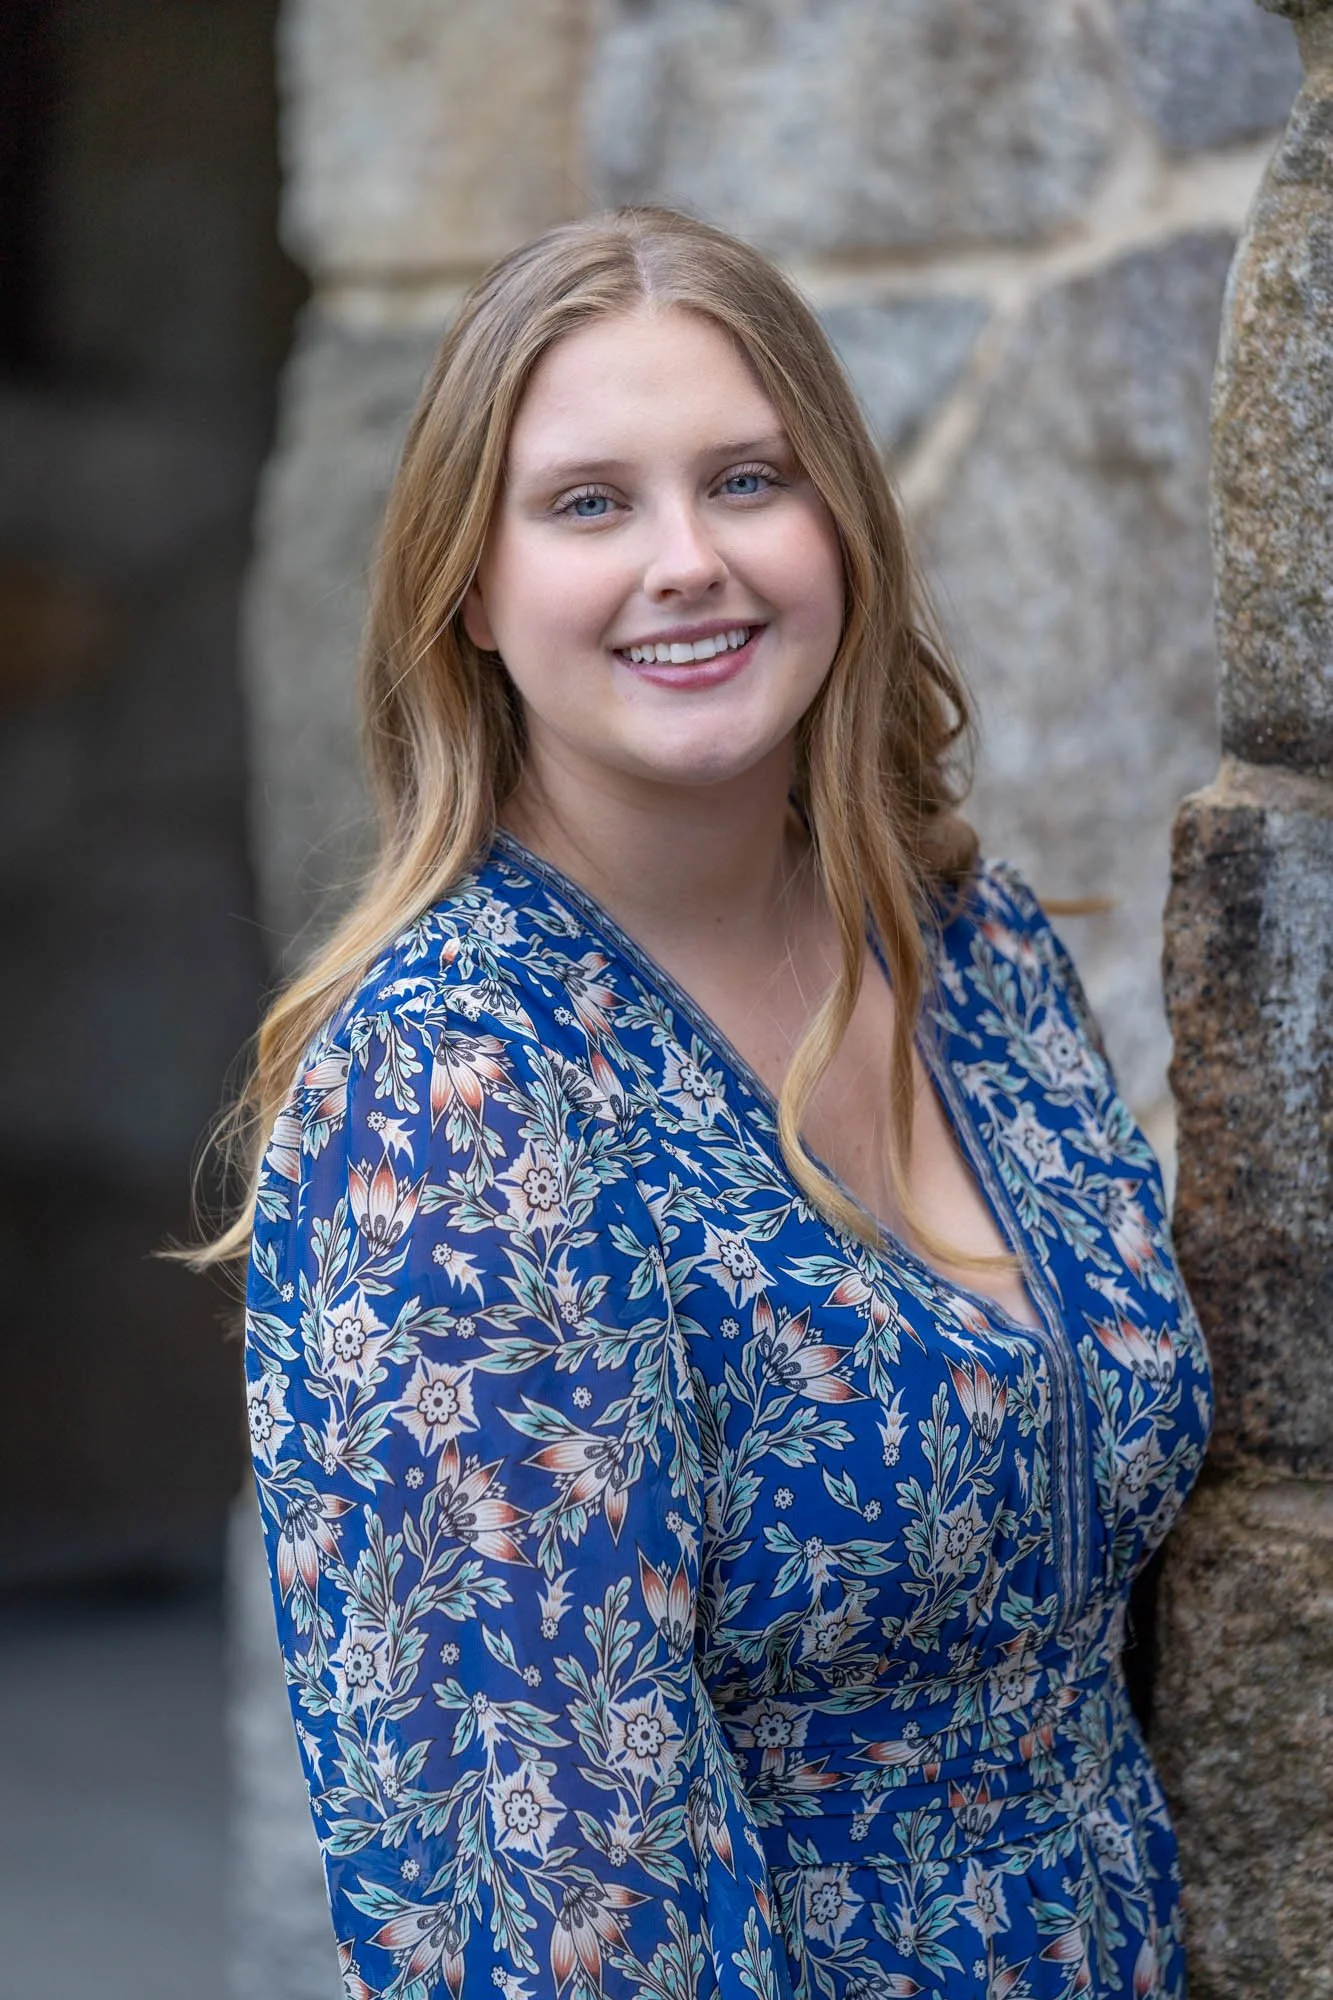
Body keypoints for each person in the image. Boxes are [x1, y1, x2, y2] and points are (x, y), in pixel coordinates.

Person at [206, 207, 1212, 2000]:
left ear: (839, 525)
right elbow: (549, 1900)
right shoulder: (459, 1098)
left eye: (748, 480)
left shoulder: (967, 950)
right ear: (471, 592)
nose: (690, 560)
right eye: (590, 503)